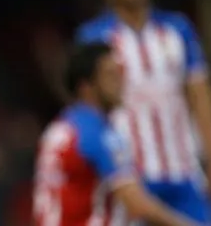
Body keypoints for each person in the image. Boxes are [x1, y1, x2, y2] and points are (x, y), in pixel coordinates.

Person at [75, 0, 211, 224]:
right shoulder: (93, 37)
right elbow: (87, 109)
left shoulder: (177, 30)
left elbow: (200, 95)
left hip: (182, 169)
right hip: (129, 176)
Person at [34, 42, 202, 226]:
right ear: (86, 87)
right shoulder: (97, 134)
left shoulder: (61, 128)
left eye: (119, 73)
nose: (120, 83)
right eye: (110, 75)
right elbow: (138, 205)